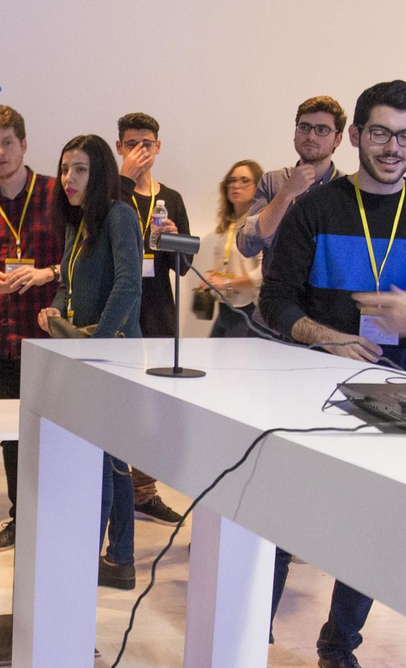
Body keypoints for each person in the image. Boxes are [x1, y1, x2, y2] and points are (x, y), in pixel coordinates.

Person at [260, 79, 406, 668]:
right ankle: (244, 633)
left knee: (369, 531)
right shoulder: (316, 210)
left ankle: (338, 647)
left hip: (394, 395)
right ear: (356, 136)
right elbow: (274, 299)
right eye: (380, 133)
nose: (393, 147)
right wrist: (325, 336)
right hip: (310, 390)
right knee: (283, 521)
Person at [38, 135, 142, 588]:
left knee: (101, 464)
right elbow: (67, 280)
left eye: (79, 169)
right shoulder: (78, 222)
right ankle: (120, 559)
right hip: (88, 352)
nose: (68, 179)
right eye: (64, 169)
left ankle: (86, 557)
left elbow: (128, 286)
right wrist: (57, 307)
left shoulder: (120, 215)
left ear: (99, 173)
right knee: (114, 463)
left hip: (110, 356)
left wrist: (93, 345)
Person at [0, 105, 63, 553]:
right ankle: (23, 522)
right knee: (13, 439)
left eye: (6, 143)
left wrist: (46, 274)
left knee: (54, 438)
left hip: (51, 341)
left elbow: (81, 263)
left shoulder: (58, 194)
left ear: (23, 143)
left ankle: (52, 519)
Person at [114, 112, 189, 524]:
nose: (140, 150)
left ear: (158, 147)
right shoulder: (112, 192)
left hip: (159, 312)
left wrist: (174, 239)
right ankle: (116, 486)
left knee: (154, 410)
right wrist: (123, 183)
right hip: (120, 315)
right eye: (131, 143)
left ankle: (144, 490)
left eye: (147, 142)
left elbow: (185, 264)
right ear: (119, 147)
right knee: (120, 403)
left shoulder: (171, 197)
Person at [236, 95, 347, 262]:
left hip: (324, 287)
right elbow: (247, 246)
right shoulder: (273, 181)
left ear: (337, 139)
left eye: (322, 130)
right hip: (277, 286)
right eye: (304, 127)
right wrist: (286, 193)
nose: (311, 136)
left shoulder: (346, 188)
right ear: (295, 133)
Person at [202, 159, 265, 338]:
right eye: (232, 180)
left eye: (245, 180)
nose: (236, 185)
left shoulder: (260, 225)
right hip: (225, 309)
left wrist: (227, 283)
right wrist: (210, 276)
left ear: (258, 186)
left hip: (248, 311)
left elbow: (263, 272)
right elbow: (227, 264)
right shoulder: (229, 225)